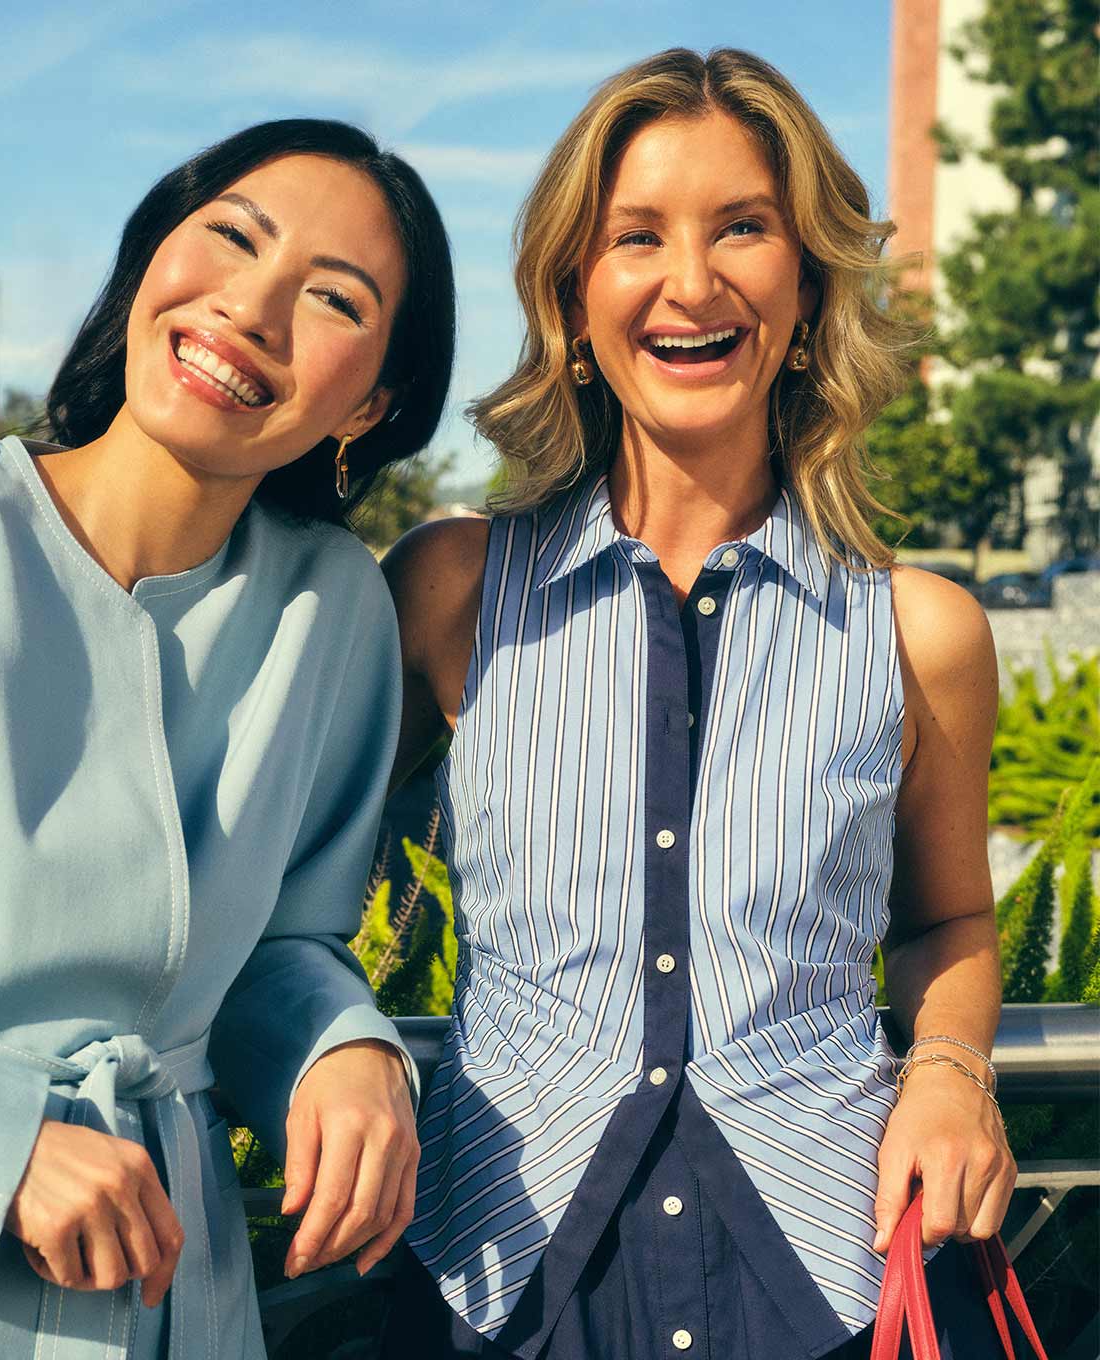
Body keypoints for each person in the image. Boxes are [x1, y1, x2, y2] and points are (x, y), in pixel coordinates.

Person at [0, 118, 454, 1360]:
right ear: (150, 256)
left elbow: (284, 944)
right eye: (232, 236)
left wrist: (342, 1048)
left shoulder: (332, 609)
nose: (253, 308)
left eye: (332, 298)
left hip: (185, 1304)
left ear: (374, 402)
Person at [382, 50, 1016, 1360]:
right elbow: (295, 893)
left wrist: (953, 1070)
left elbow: (948, 916)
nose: (693, 281)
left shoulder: (921, 632)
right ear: (574, 295)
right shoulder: (447, 593)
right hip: (511, 1285)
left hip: (832, 1283)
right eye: (636, 237)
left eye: (744, 227)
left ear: (806, 283)